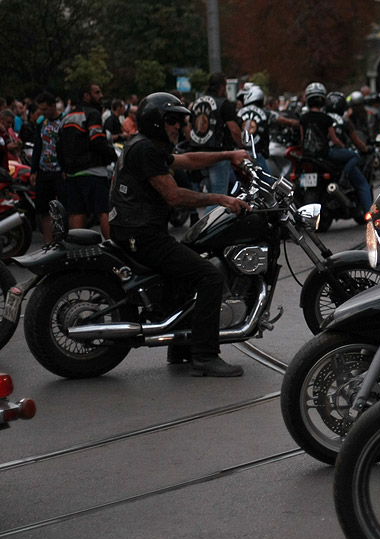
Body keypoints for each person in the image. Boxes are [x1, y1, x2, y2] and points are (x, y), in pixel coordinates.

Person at [108, 92, 250, 376]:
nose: (178, 126)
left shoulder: (147, 146)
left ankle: (181, 346)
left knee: (189, 267)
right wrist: (221, 199)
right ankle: (205, 355)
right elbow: (172, 196)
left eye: (179, 121)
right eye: (171, 120)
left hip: (136, 231)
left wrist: (229, 154)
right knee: (210, 276)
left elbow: (188, 159)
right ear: (155, 122)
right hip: (143, 235)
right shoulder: (146, 149)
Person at [299, 83, 372, 216]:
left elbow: (303, 138)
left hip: (310, 156)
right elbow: (337, 139)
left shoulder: (305, 118)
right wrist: (358, 148)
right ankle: (370, 214)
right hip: (330, 155)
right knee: (362, 182)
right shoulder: (339, 121)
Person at [57, 83, 117, 238]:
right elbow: (97, 139)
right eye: (97, 92)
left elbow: (59, 146)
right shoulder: (92, 114)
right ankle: (114, 248)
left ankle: (75, 252)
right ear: (86, 96)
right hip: (93, 172)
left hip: (73, 174)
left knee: (77, 212)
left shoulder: (66, 117)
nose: (101, 95)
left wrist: (65, 168)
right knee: (104, 211)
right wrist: (112, 155)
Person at [187, 72, 242, 198]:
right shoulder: (224, 104)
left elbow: (189, 127)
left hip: (199, 154)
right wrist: (242, 145)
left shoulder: (197, 102)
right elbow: (234, 130)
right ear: (222, 86)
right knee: (219, 199)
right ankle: (208, 218)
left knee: (211, 196)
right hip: (218, 155)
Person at [236, 85, 299, 174]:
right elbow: (286, 121)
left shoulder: (238, 112)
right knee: (268, 183)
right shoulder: (266, 113)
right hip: (257, 155)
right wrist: (301, 123)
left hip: (239, 155)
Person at [29, 92, 65, 243]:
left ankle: (65, 242)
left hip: (60, 172)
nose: (42, 113)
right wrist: (34, 170)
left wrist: (66, 168)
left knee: (65, 208)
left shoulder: (65, 121)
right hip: (44, 171)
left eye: (45, 109)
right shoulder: (41, 122)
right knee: (44, 211)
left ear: (53, 106)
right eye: (40, 110)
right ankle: (48, 245)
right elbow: (38, 146)